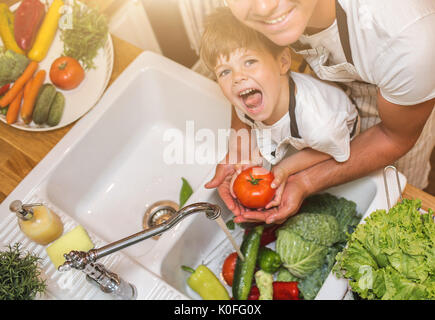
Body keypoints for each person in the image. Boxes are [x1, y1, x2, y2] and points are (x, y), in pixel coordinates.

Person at [205, 0, 435, 224]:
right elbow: (241, 76)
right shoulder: (248, 10)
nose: (264, 7)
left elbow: (393, 136)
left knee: (400, 203)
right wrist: (240, 147)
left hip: (398, 113)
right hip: (325, 92)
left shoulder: (407, 38)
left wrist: (305, 181)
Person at [201, 7, 359, 220]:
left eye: (249, 62)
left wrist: (285, 168)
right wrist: (244, 152)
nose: (237, 78)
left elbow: (332, 149)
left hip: (341, 137)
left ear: (283, 62)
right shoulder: (250, 101)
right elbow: (243, 117)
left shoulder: (320, 125)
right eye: (225, 71)